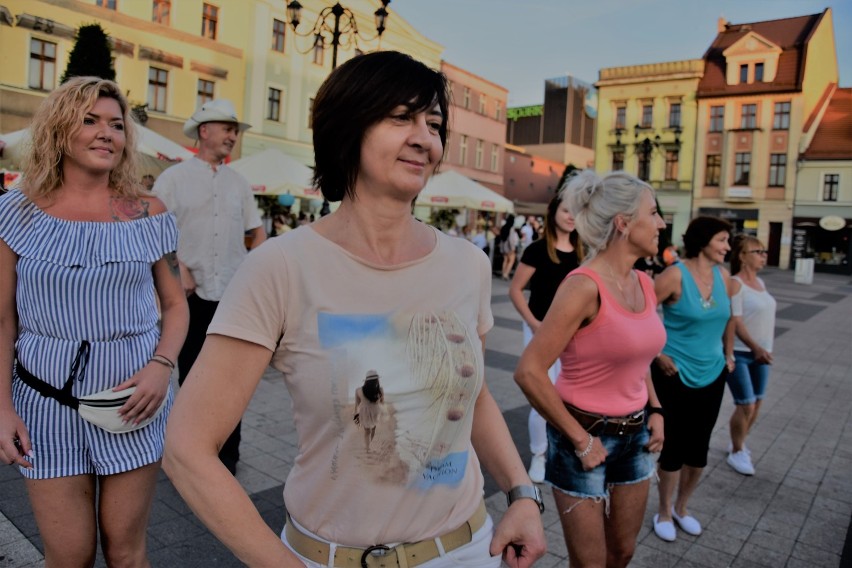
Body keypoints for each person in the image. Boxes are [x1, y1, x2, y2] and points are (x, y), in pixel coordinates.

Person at [163, 51, 546, 568]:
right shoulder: (281, 266)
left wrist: (521, 494)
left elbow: (472, 397)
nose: (423, 137)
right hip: (329, 555)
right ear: (349, 127)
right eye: (400, 118)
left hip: (466, 548)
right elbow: (187, 448)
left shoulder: (467, 264)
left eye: (433, 123)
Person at [0, 77, 187, 567]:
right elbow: (2, 319)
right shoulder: (15, 212)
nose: (107, 133)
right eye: (90, 120)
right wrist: (1, 407)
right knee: (69, 555)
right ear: (59, 130)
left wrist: (162, 367)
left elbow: (176, 305)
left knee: (125, 553)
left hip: (133, 401)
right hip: (42, 402)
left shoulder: (146, 212)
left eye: (116, 125)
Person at [514, 170, 666, 568]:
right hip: (581, 438)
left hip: (635, 436)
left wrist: (656, 410)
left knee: (623, 552)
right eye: (654, 212)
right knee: (590, 563)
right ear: (623, 223)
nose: (662, 223)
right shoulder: (582, 286)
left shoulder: (644, 283)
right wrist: (580, 440)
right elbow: (529, 371)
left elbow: (639, 357)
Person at [153, 98, 267, 475]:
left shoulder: (239, 183)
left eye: (235, 130)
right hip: (189, 297)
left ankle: (227, 454)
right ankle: (187, 452)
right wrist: (178, 266)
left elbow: (257, 231)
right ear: (204, 131)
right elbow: (156, 231)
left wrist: (259, 272)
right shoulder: (173, 179)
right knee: (191, 377)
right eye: (228, 128)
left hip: (234, 295)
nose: (233, 136)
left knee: (233, 378)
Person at [651, 216, 736, 542]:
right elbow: (642, 315)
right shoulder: (674, 275)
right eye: (722, 240)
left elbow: (729, 318)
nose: (727, 247)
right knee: (673, 447)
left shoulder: (724, 277)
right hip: (674, 374)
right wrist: (658, 355)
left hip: (713, 374)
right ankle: (663, 511)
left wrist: (729, 354)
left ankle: (681, 508)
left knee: (699, 448)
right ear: (703, 241)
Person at [509, 193, 584, 483]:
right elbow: (516, 290)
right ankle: (538, 455)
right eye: (566, 210)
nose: (570, 216)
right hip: (540, 328)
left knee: (570, 395)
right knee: (544, 393)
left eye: (576, 212)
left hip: (573, 333)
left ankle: (563, 449)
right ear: (554, 212)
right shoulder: (537, 250)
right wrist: (532, 322)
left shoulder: (583, 252)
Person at [725, 235, 776, 476]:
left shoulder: (761, 283)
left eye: (764, 251)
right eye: (758, 251)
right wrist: (755, 347)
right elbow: (736, 321)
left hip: (762, 354)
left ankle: (739, 441)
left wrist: (762, 350)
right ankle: (737, 450)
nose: (763, 255)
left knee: (757, 402)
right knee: (746, 404)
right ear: (742, 256)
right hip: (742, 352)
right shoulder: (735, 283)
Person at [353, 370, 387, 452]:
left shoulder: (358, 390)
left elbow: (357, 404)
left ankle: (367, 448)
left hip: (364, 412)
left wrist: (355, 413)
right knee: (373, 428)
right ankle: (370, 444)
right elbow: (382, 402)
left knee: (366, 430)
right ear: (376, 380)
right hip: (376, 411)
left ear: (366, 380)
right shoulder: (380, 389)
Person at [499, 214, 519, 280]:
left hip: (504, 247)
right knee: (511, 261)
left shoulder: (503, 227)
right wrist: (513, 248)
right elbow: (511, 240)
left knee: (505, 260)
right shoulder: (511, 229)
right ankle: (506, 274)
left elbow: (501, 239)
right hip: (509, 247)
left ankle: (503, 273)